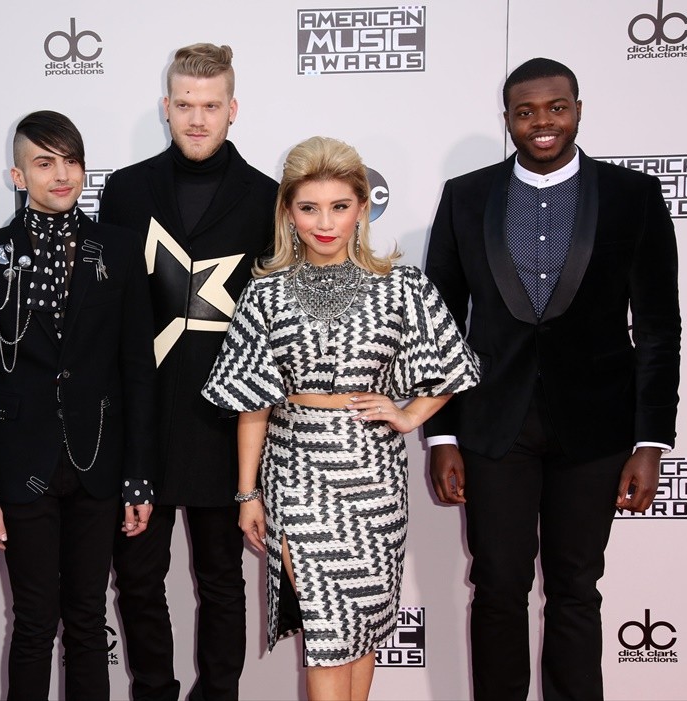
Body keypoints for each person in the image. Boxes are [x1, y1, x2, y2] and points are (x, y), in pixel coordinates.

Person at [424, 57, 681, 701]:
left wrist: (650, 443)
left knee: (575, 590)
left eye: (556, 107)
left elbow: (658, 327)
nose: (542, 122)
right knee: (498, 589)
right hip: (492, 429)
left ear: (578, 110)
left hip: (596, 429)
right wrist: (440, 436)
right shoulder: (466, 196)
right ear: (508, 118)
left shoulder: (632, 196)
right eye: (526, 111)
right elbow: (438, 326)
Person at [203, 136, 480, 701]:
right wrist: (246, 494)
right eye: (308, 208)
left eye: (339, 206)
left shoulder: (401, 286)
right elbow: (251, 403)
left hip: (374, 483)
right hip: (297, 476)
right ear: (288, 211)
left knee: (359, 634)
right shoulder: (265, 295)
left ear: (362, 206)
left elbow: (456, 364)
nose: (324, 223)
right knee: (327, 636)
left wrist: (408, 415)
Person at [0, 110, 157, 700]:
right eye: (44, 162)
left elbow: (137, 371)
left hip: (99, 464)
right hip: (22, 467)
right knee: (35, 623)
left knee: (89, 623)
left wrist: (140, 478)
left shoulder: (118, 250)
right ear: (18, 176)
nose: (61, 174)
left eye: (71, 160)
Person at [98, 43, 277, 700]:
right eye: (184, 105)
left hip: (228, 427)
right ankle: (153, 689)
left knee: (222, 579)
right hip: (136, 426)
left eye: (209, 106)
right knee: (138, 579)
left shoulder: (267, 197)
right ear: (165, 108)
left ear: (232, 109)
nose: (196, 119)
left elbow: (277, 327)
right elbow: (106, 310)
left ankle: (220, 693)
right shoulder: (126, 189)